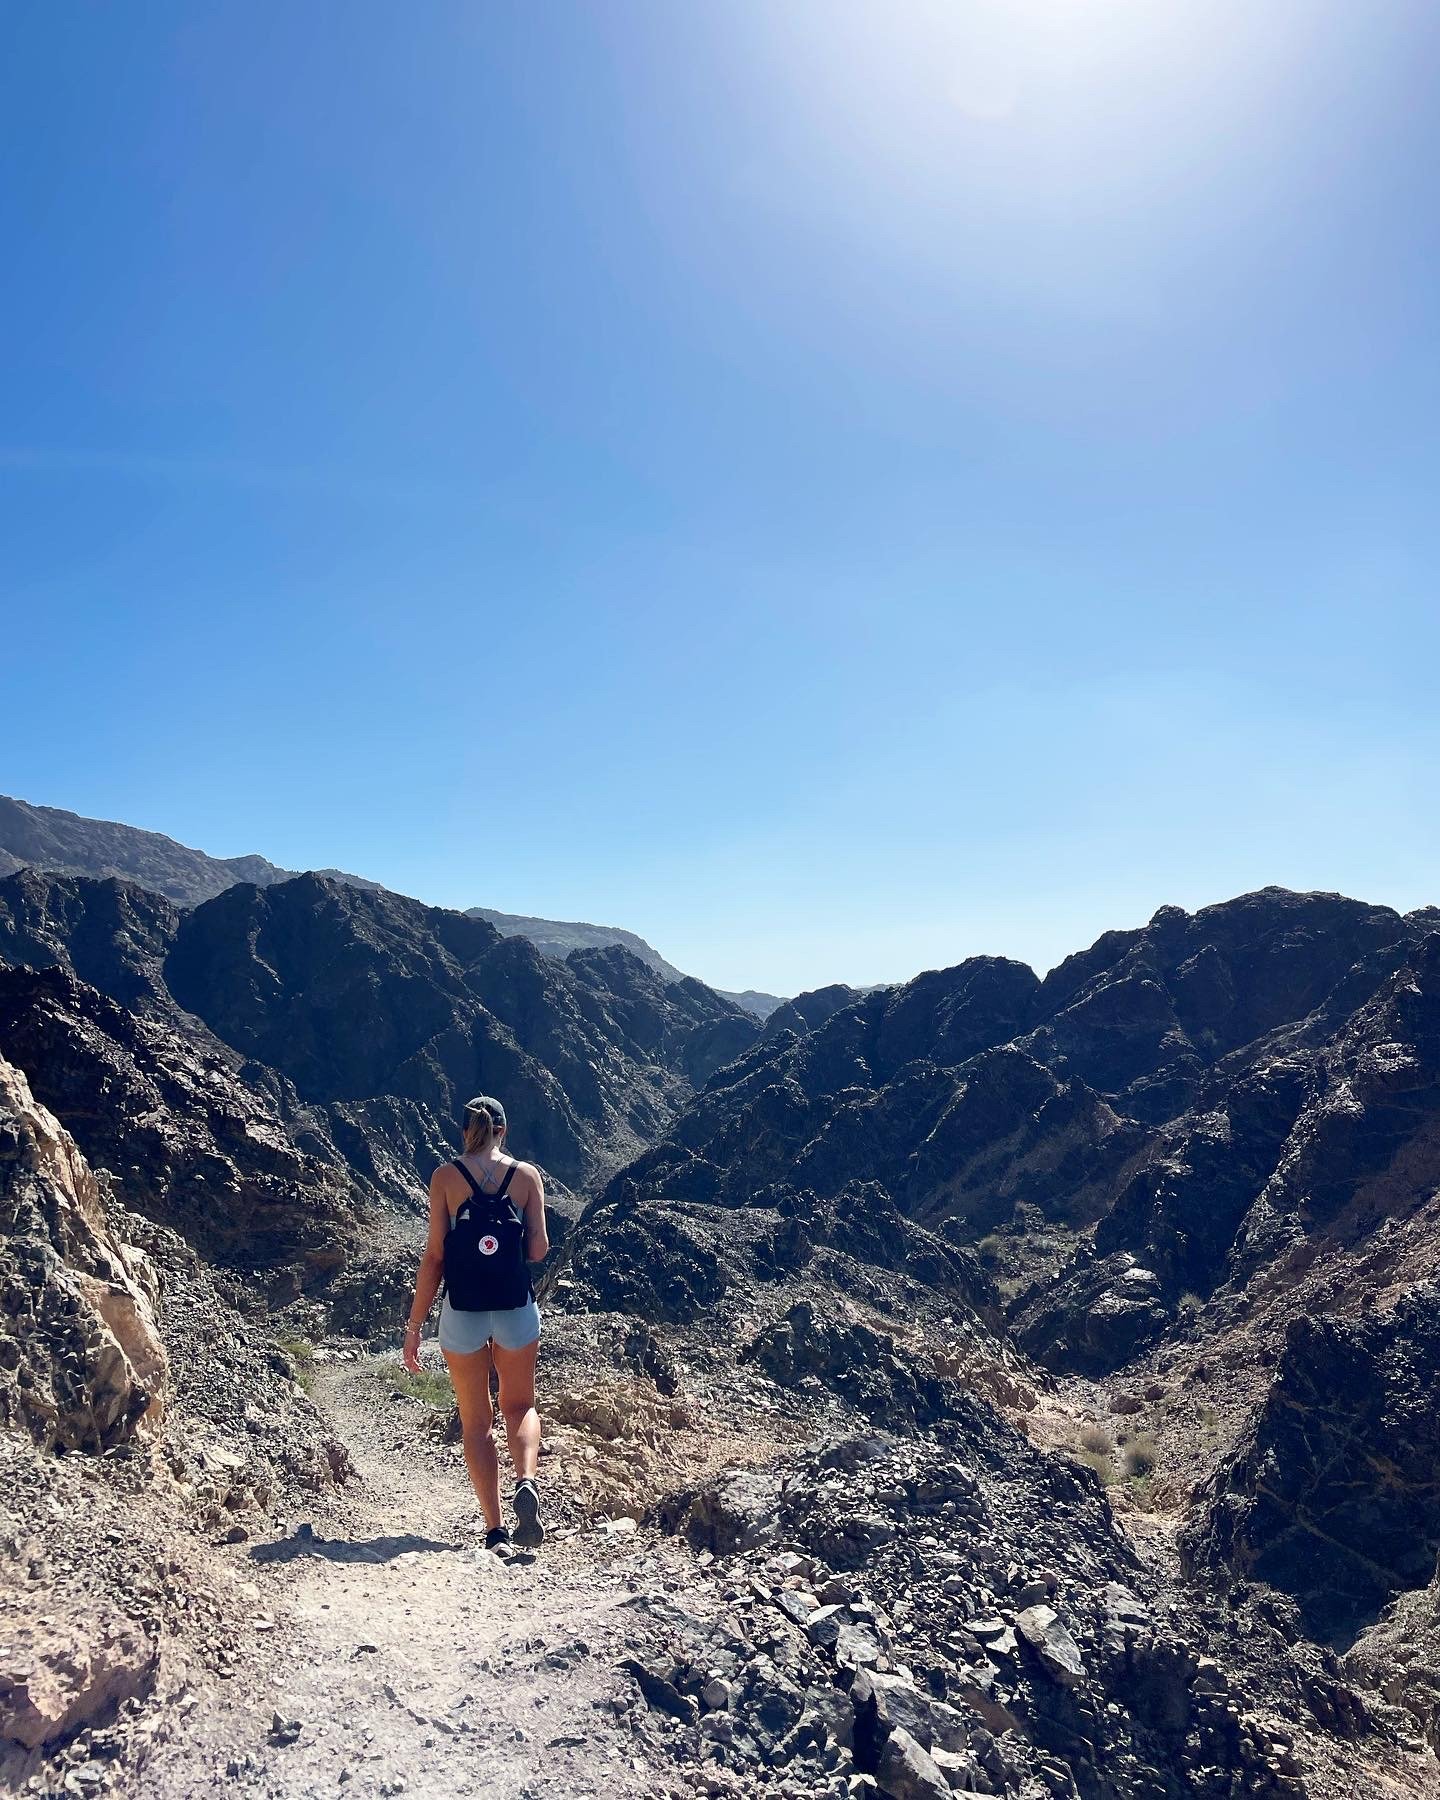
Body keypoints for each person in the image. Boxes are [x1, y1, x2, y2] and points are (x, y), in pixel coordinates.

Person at [403, 1094, 549, 1550]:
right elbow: (538, 1251)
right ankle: (526, 1480)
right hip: (514, 1308)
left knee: (476, 1421)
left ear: (466, 1131)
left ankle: (494, 1528)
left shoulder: (445, 1178)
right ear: (503, 1130)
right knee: (520, 1405)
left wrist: (414, 1327)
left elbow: (435, 1257)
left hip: (463, 1312)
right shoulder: (526, 1177)